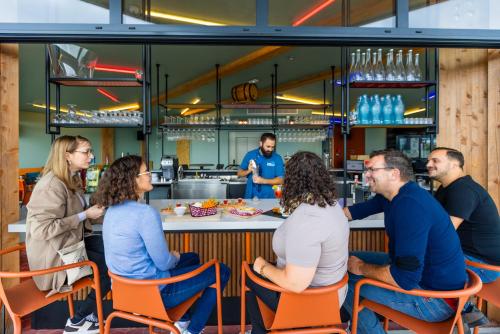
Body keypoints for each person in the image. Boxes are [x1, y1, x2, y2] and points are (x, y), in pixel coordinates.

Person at [93, 155, 230, 334]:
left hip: (123, 291)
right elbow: (163, 263)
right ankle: (193, 330)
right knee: (221, 270)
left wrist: (177, 258)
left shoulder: (111, 211)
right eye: (146, 172)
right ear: (133, 180)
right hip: (153, 293)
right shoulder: (145, 213)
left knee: (193, 258)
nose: (150, 175)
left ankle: (183, 320)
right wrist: (175, 256)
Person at [342, 149, 466, 334]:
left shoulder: (411, 206)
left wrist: (361, 268)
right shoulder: (392, 195)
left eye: (373, 170)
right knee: (343, 262)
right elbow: (353, 212)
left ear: (394, 173)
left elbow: (404, 279)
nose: (366, 175)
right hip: (421, 277)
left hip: (435, 300)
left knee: (346, 284)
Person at [247, 151, 349, 334]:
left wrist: (262, 266)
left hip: (309, 301)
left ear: (292, 180)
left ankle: (264, 329)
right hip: (333, 296)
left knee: (248, 273)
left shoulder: (307, 218)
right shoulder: (331, 205)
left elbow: (296, 284)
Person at [26, 135, 108, 334]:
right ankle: (80, 318)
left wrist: (106, 213)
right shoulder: (51, 185)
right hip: (56, 260)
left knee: (120, 252)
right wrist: (84, 215)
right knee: (114, 264)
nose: (91, 156)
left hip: (71, 247)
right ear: (67, 155)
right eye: (86, 152)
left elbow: (81, 216)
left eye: (90, 151)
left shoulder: (71, 180)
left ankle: (89, 315)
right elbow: (41, 230)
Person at [427, 147, 500, 328]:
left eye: (435, 160)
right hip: (466, 256)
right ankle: (462, 315)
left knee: (420, 261)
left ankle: (461, 314)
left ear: (454, 164)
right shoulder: (446, 189)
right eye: (429, 160)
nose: (428, 164)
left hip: (483, 264)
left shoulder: (463, 190)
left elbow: (445, 232)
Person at [237, 133, 284, 199]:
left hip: (270, 198)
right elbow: (239, 173)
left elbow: (281, 180)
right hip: (251, 197)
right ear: (261, 143)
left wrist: (262, 180)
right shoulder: (250, 155)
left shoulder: (277, 158)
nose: (270, 149)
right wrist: (248, 171)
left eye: (272, 147)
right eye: (268, 146)